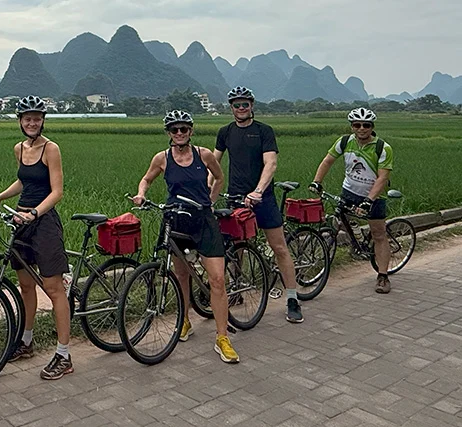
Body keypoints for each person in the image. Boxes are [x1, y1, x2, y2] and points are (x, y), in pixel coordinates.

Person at [132, 110, 240, 363]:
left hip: (203, 220)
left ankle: (222, 337)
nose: (179, 133)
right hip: (176, 220)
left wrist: (210, 201)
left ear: (191, 131)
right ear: (168, 133)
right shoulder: (162, 158)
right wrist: (141, 194)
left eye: (184, 129)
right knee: (181, 275)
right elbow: (146, 179)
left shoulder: (204, 155)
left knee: (217, 279)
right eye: (174, 129)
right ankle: (185, 320)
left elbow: (219, 178)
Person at [0, 95, 72, 380]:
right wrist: (0, 196)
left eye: (37, 119)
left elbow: (57, 191)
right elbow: (24, 180)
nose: (32, 123)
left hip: (43, 223)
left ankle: (64, 355)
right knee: (25, 285)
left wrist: (34, 213)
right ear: (20, 121)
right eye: (27, 119)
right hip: (21, 222)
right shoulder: (19, 149)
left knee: (53, 288)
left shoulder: (51, 149)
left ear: (43, 121)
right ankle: (26, 341)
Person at [212, 86, 304, 323]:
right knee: (236, 248)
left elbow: (270, 164)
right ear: (231, 108)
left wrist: (258, 191)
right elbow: (214, 164)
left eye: (245, 104)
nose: (241, 108)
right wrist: (206, 192)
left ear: (252, 105)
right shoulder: (225, 132)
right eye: (237, 105)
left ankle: (292, 298)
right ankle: (236, 288)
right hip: (236, 197)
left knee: (279, 247)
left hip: (263, 198)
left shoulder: (264, 131)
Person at [310, 108, 393, 293]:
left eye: (366, 125)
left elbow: (383, 178)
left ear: (372, 127)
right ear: (352, 127)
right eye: (357, 125)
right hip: (349, 191)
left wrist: (369, 200)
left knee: (378, 234)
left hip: (374, 196)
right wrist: (317, 182)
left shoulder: (383, 148)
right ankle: (357, 243)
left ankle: (383, 276)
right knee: (340, 220)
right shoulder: (345, 141)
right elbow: (327, 161)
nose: (361, 128)